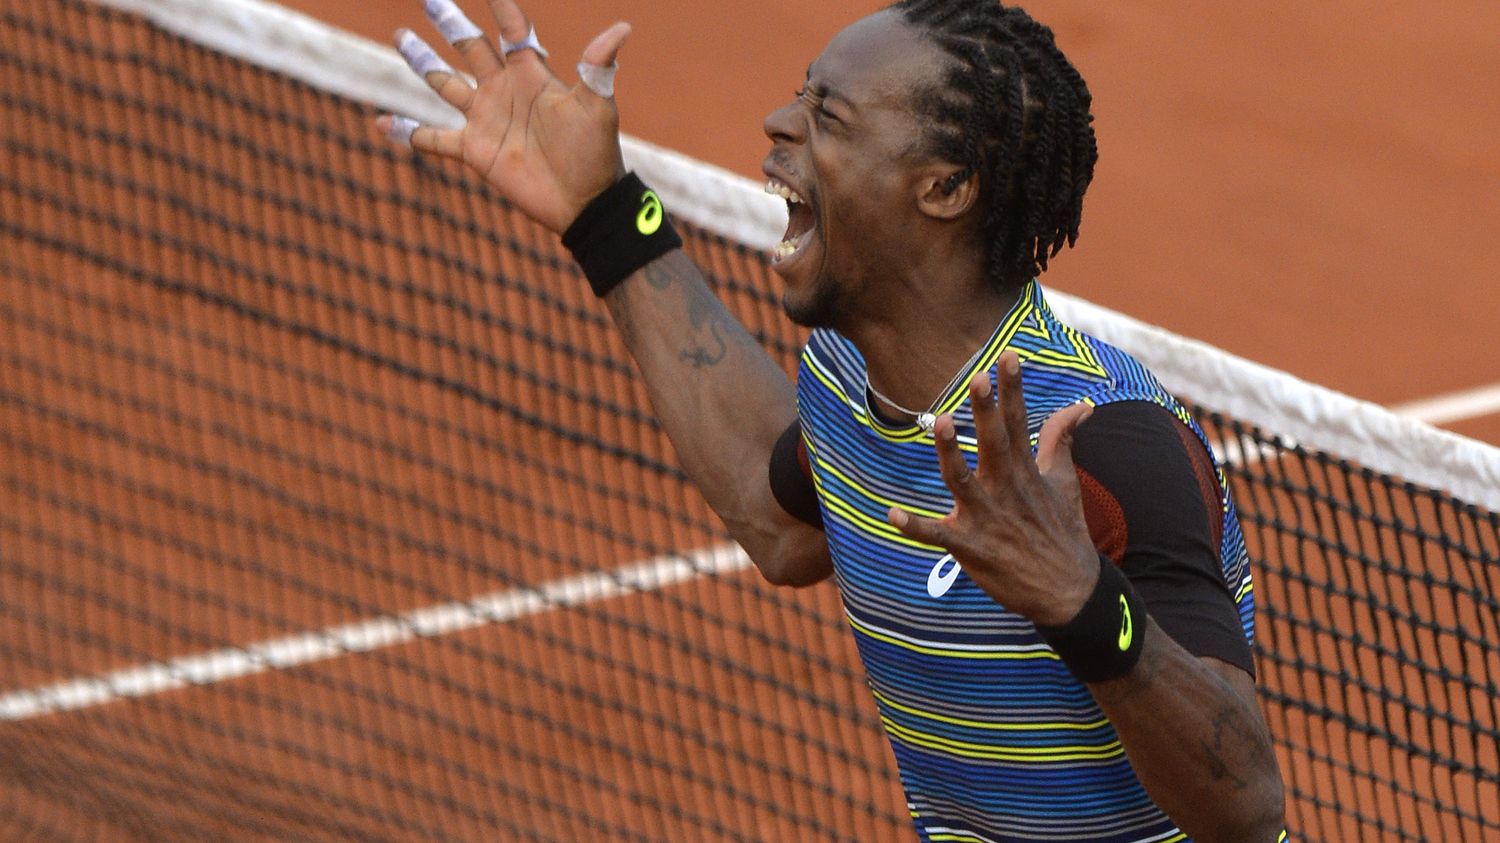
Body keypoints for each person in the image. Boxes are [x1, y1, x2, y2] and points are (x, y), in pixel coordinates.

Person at [379, 0, 1287, 839]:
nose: (779, 123)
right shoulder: (847, 374)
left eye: (831, 116)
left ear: (945, 188)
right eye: (802, 95)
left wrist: (1084, 601)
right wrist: (606, 218)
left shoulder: (1101, 442)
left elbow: (1244, 803)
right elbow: (781, 525)